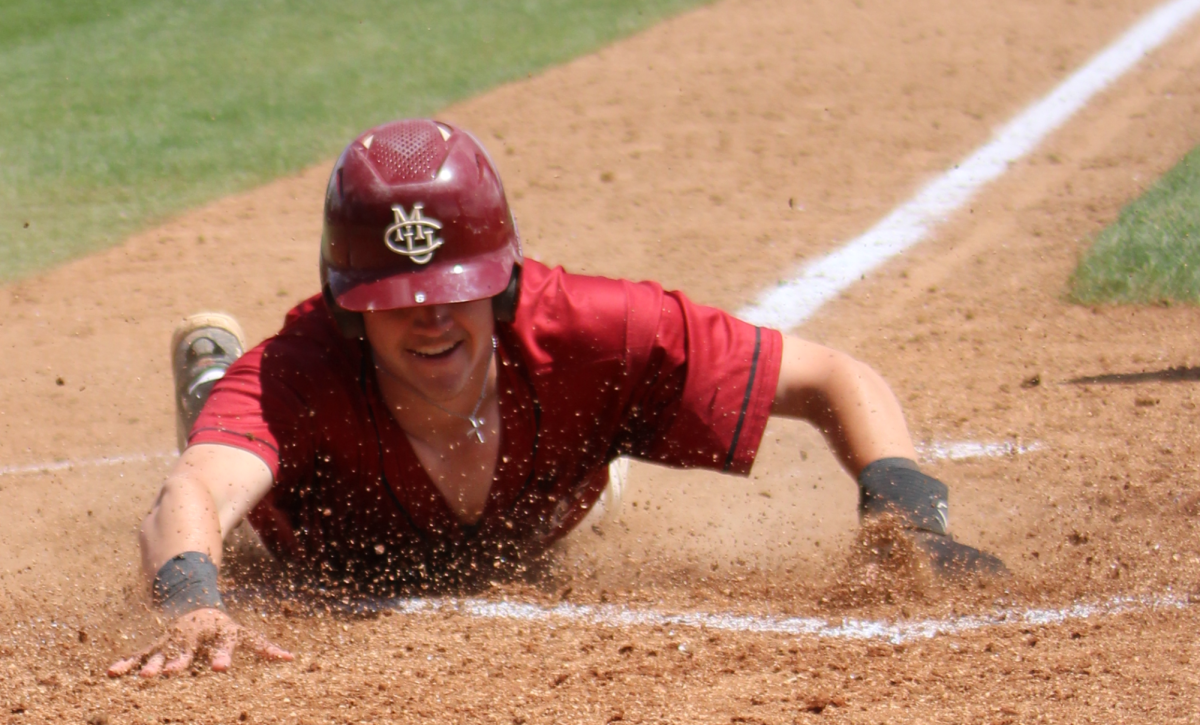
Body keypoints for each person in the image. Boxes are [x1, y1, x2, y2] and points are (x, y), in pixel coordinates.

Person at [108, 118, 1005, 678]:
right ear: (347, 308)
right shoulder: (296, 370)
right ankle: (209, 387)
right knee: (228, 475)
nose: (428, 320)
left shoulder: (591, 327)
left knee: (553, 490)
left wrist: (911, 521)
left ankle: (592, 460)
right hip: (322, 547)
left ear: (503, 282)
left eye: (455, 292)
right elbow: (185, 496)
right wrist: (190, 598)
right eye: (393, 302)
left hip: (527, 513)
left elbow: (836, 377)